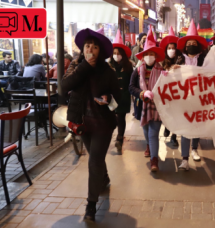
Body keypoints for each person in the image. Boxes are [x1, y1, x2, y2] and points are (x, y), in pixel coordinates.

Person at [61, 28, 122, 222]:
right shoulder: (76, 66)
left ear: (100, 51)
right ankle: (103, 179)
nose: (91, 49)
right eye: (88, 46)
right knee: (96, 160)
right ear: (82, 48)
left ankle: (91, 205)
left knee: (94, 160)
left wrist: (108, 98)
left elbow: (120, 99)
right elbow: (64, 86)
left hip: (103, 124)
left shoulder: (108, 71)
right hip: (82, 123)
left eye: (95, 47)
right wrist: (84, 67)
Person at [174, 19, 209, 170]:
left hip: (199, 99)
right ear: (185, 45)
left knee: (196, 126)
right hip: (184, 99)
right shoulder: (180, 59)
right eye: (189, 43)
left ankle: (194, 149)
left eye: (194, 44)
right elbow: (172, 77)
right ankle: (184, 159)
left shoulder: (204, 59)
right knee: (184, 128)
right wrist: (174, 70)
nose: (191, 46)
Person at [129, 27, 165, 171]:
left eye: (152, 54)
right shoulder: (137, 71)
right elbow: (131, 87)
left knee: (153, 132)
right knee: (145, 130)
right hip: (141, 106)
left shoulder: (162, 71)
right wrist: (142, 93)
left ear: (156, 56)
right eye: (147, 54)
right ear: (143, 56)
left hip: (157, 107)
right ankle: (149, 145)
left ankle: (154, 161)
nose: (150, 56)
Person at [109, 30, 133, 153]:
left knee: (121, 117)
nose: (116, 55)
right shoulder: (108, 66)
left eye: (118, 53)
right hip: (111, 96)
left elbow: (131, 83)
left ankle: (119, 139)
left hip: (123, 96)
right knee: (111, 118)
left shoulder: (129, 66)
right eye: (114, 53)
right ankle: (110, 138)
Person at [159, 26, 181, 147]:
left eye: (173, 48)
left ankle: (174, 136)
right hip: (166, 93)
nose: (171, 50)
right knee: (168, 114)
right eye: (169, 48)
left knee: (177, 115)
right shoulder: (162, 61)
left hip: (178, 93)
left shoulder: (181, 60)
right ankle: (167, 126)